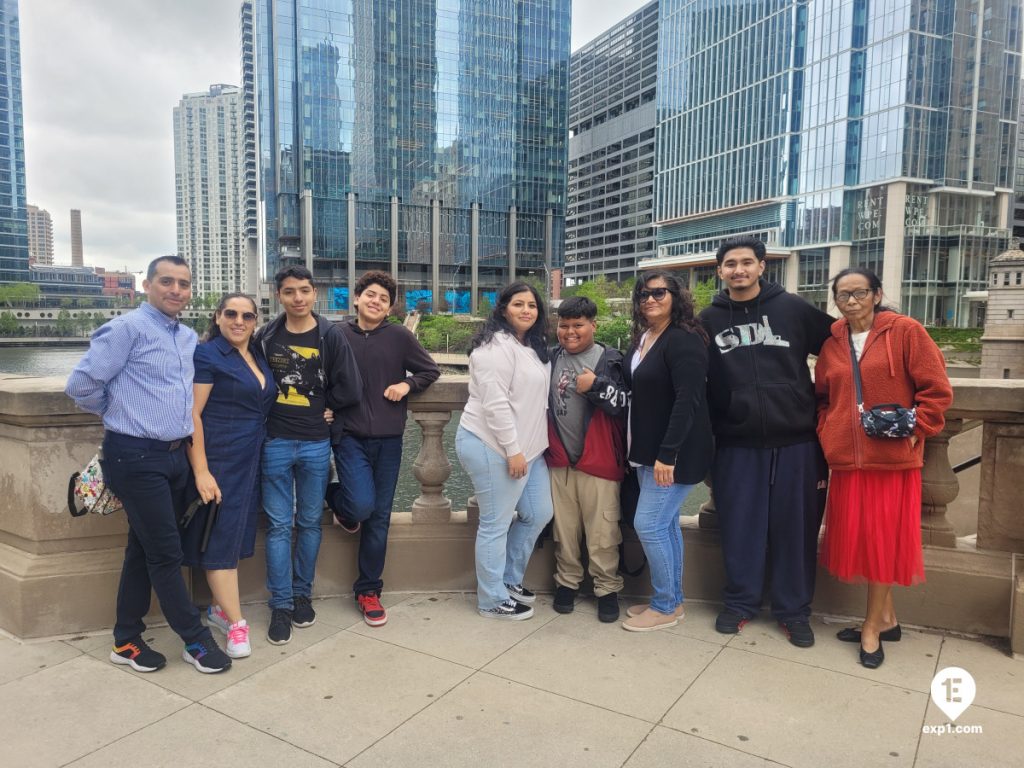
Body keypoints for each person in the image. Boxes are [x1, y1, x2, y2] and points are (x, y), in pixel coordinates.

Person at [66, 255, 232, 674]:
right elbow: (81, 385)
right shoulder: (127, 329)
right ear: (147, 285)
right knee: (165, 553)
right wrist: (117, 412)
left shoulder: (186, 336)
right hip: (134, 456)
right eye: (167, 282)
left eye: (184, 283)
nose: (176, 290)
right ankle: (196, 641)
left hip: (175, 455)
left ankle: (126, 638)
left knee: (141, 550)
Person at [698, 236, 833, 647]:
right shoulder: (708, 320)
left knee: (798, 529)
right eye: (730, 264)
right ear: (720, 271)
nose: (738, 270)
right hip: (737, 442)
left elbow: (839, 343)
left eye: (746, 262)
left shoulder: (791, 308)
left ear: (761, 266)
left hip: (797, 441)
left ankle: (793, 612)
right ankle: (741, 603)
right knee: (740, 528)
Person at [814, 267, 952, 669]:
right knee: (864, 541)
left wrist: (920, 428)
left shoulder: (906, 331)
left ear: (876, 294)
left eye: (859, 292)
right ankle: (887, 618)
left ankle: (871, 628)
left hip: (891, 461)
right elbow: (822, 396)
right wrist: (829, 430)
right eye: (842, 295)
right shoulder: (832, 342)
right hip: (847, 460)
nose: (851, 301)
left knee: (883, 545)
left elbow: (936, 389)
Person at [325, 271, 439, 626]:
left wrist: (407, 385)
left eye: (384, 299)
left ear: (390, 307)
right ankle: (336, 500)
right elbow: (319, 376)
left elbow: (429, 371)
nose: (376, 302)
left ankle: (368, 590)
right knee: (360, 504)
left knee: (379, 520)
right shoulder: (336, 334)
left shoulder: (400, 337)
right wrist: (326, 405)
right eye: (370, 295)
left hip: (389, 439)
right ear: (356, 298)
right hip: (349, 436)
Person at [255, 265, 362, 645]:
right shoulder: (266, 336)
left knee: (311, 523)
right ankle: (281, 603)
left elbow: (351, 386)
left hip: (317, 442)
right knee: (280, 525)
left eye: (303, 290)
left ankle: (303, 595)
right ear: (279, 296)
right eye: (289, 292)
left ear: (314, 293)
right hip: (276, 441)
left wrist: (330, 405)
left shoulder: (329, 334)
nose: (297, 298)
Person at [183, 293, 276, 659]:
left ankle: (220, 610)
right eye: (232, 314)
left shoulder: (256, 354)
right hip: (220, 459)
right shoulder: (207, 355)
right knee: (219, 539)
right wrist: (202, 470)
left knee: (235, 535)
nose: (240, 321)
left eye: (248, 316)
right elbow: (192, 415)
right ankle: (237, 623)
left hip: (250, 458)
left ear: (256, 321)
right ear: (218, 317)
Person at [456, 282, 554, 620]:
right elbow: (495, 404)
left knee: (539, 512)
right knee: (495, 524)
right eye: (518, 304)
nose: (526, 310)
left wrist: (525, 450)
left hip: (530, 449)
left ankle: (508, 580)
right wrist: (512, 450)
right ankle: (491, 599)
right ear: (503, 309)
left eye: (532, 305)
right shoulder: (494, 347)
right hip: (492, 444)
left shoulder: (530, 345)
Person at [622, 270, 713, 632]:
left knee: (648, 524)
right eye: (644, 295)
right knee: (666, 525)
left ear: (676, 296)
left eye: (659, 293)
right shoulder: (645, 337)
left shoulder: (684, 339)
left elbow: (688, 400)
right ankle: (672, 600)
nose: (650, 300)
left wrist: (668, 453)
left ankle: (664, 606)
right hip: (647, 450)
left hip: (675, 452)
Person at [545, 296, 628, 622]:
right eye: (564, 325)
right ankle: (567, 582)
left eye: (578, 325)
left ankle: (607, 588)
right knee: (564, 531)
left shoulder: (612, 361)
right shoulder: (550, 357)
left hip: (600, 461)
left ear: (593, 325)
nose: (570, 332)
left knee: (603, 532)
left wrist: (597, 386)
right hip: (561, 460)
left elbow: (624, 405)